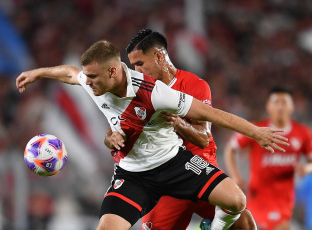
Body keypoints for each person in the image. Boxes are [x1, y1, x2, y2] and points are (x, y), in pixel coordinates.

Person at [16, 40, 288, 230]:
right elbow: (70, 74)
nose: (88, 82)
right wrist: (37, 73)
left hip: (174, 164)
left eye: (94, 77)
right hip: (132, 175)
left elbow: (212, 114)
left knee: (237, 202)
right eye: (88, 77)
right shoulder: (92, 81)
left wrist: (256, 132)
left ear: (113, 71)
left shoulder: (155, 93)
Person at [104, 28, 256, 230]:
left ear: (158, 57)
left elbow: (203, 138)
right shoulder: (135, 91)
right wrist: (111, 138)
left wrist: (178, 122)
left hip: (199, 171)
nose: (136, 71)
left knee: (244, 222)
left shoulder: (194, 85)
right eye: (133, 66)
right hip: (164, 178)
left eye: (140, 64)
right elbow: (113, 132)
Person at [224, 86, 312, 230]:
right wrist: (235, 176)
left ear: (292, 106)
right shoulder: (257, 129)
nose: (280, 107)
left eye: (284, 102)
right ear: (268, 106)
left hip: (285, 201)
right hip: (258, 198)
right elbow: (231, 148)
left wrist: (307, 168)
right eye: (276, 102)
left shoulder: (303, 133)